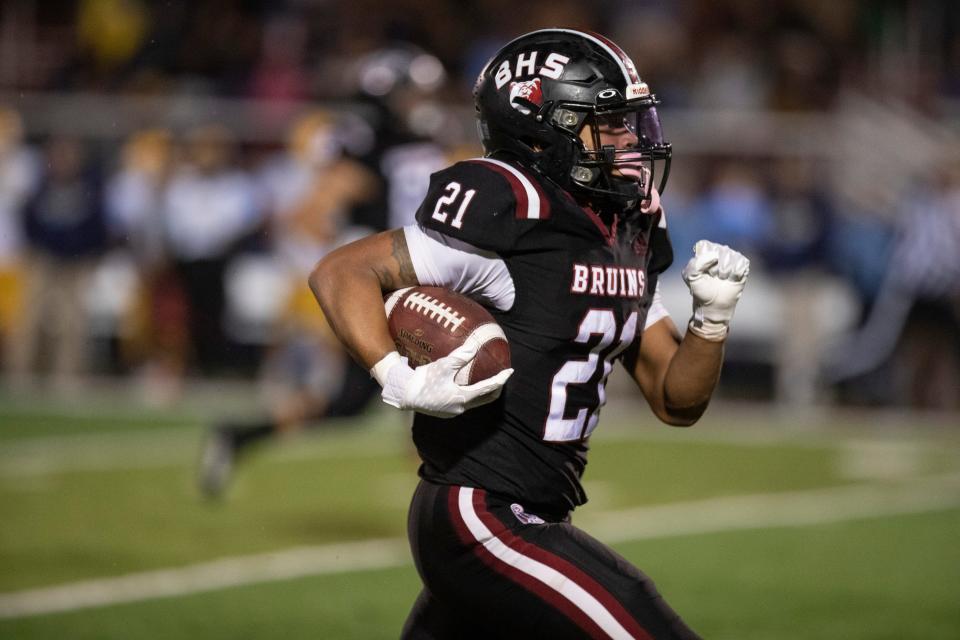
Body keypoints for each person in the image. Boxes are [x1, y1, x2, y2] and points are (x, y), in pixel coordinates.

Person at [310, 29, 750, 639]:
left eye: (632, 122)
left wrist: (711, 319)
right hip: (481, 512)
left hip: (533, 511)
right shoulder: (511, 203)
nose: (632, 142)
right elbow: (342, 270)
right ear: (545, 130)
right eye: (610, 124)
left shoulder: (627, 222)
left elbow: (676, 401)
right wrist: (396, 374)